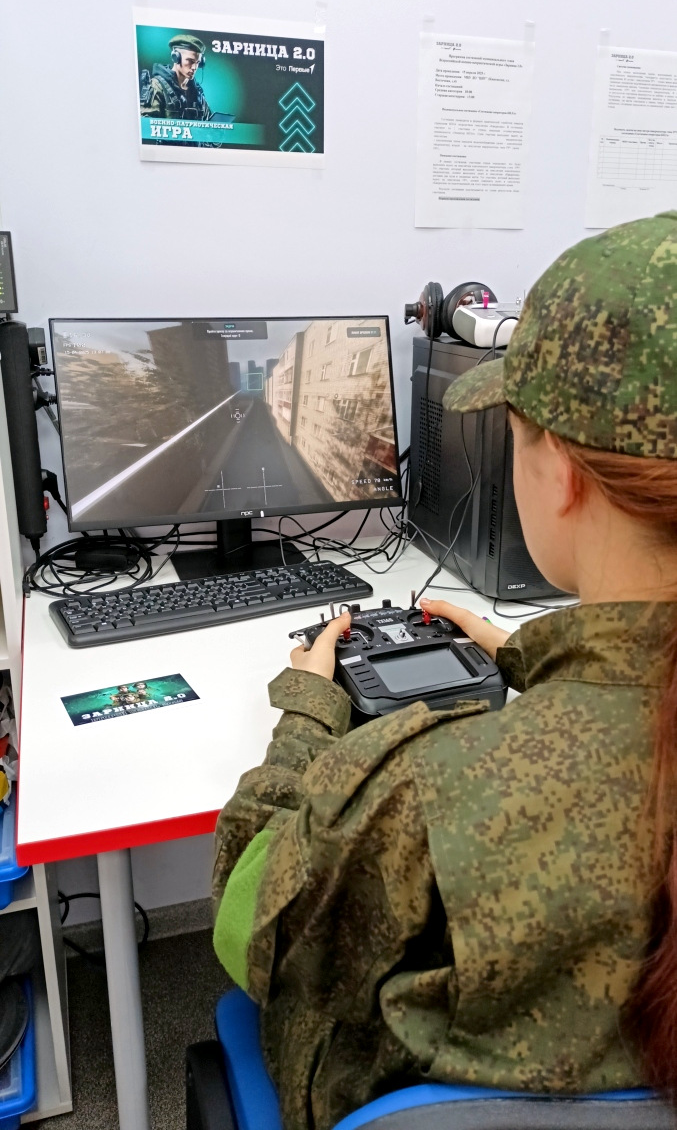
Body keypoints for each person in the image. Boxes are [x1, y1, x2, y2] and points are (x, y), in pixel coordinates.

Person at [212, 211, 677, 1130]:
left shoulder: (420, 786)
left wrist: (306, 714)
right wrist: (542, 660)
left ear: (561, 474)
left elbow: (241, 929)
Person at [139, 33, 211, 121]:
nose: (194, 67)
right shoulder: (157, 86)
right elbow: (147, 124)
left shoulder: (197, 92)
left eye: (197, 62)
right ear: (176, 58)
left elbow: (209, 122)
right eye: (190, 61)